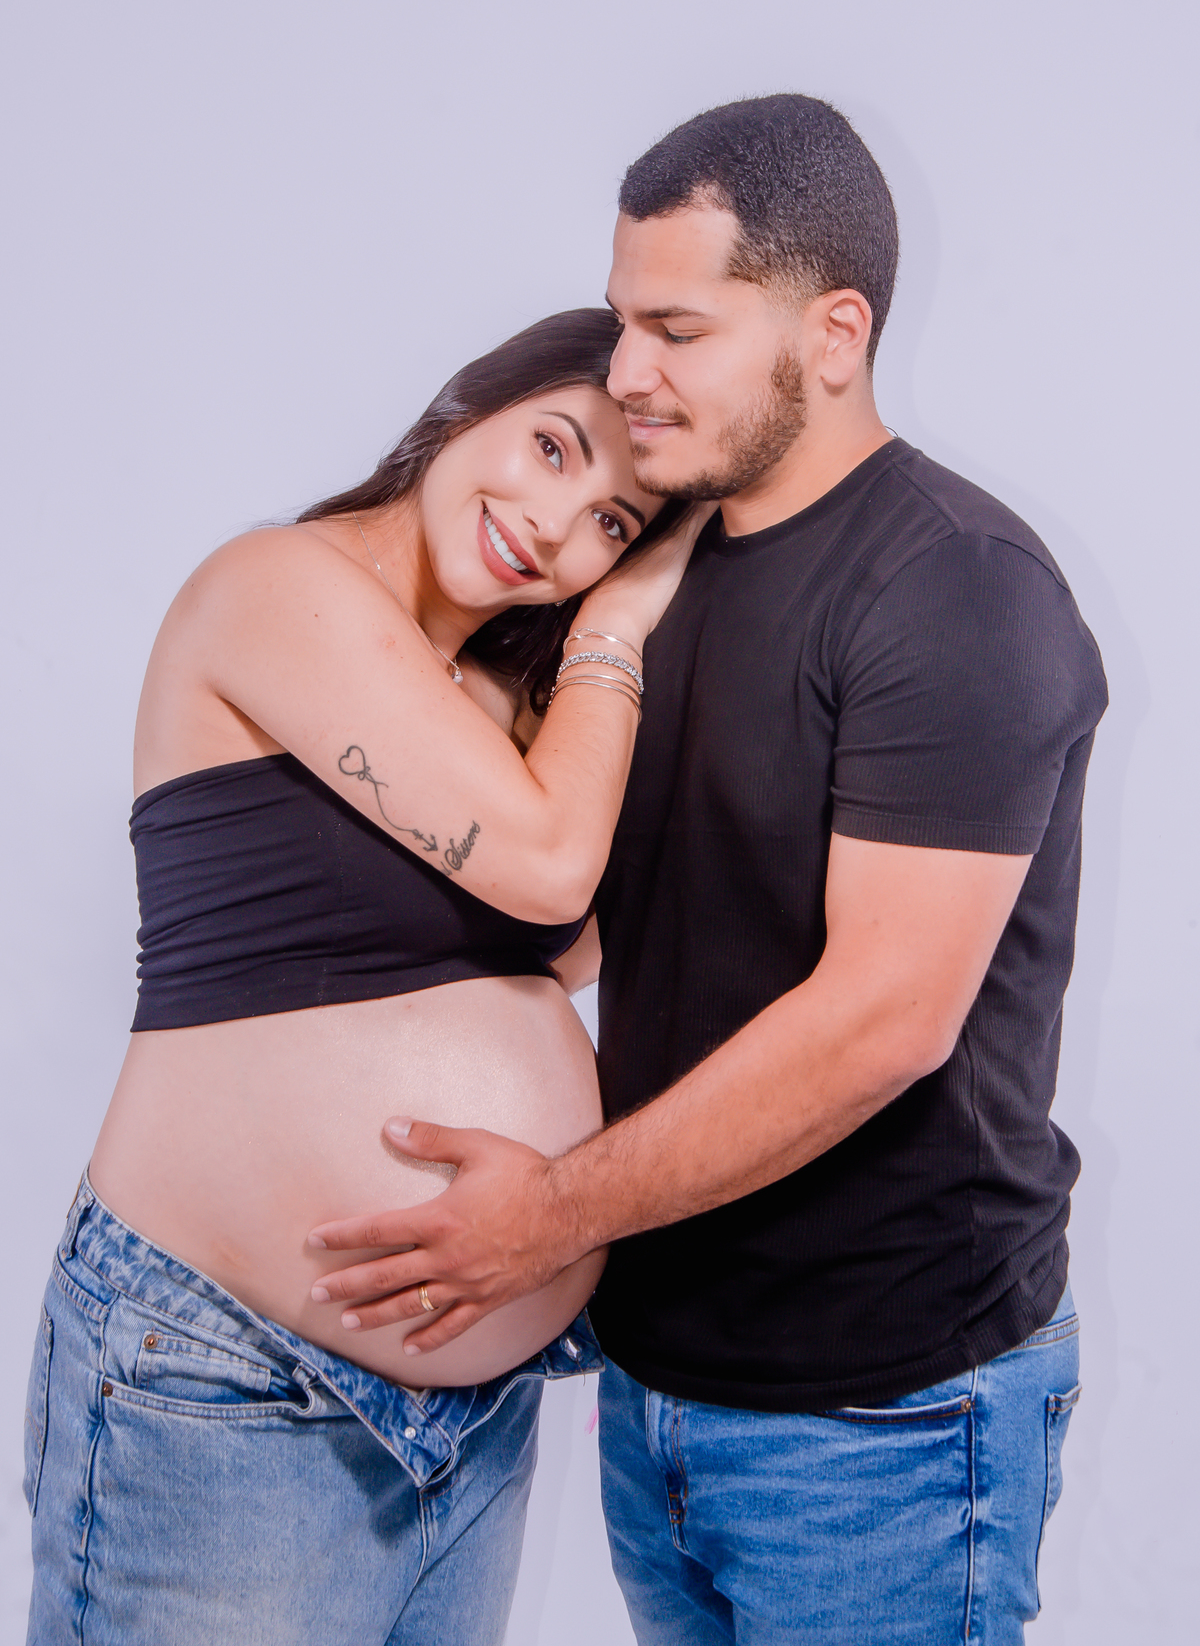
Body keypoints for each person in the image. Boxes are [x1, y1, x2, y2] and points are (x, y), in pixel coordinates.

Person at [311, 97, 1109, 1644]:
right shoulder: (646, 573)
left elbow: (884, 1019)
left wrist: (547, 1212)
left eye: (678, 330)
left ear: (834, 333)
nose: (625, 372)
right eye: (622, 319)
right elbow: (578, 913)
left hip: (883, 1417)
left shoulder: (956, 587)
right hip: (656, 1388)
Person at [22, 307, 699, 1645]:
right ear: (475, 398)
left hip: (473, 1421)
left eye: (614, 524)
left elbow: (579, 937)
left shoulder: (503, 700)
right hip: (224, 1382)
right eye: (552, 448)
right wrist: (621, 618)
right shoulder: (280, 585)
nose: (554, 525)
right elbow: (552, 869)